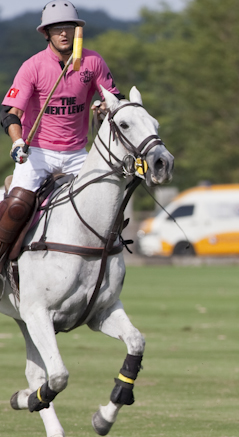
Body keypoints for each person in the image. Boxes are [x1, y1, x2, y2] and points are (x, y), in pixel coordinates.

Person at [0, 1, 122, 263]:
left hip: (77, 154)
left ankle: (107, 264)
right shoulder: (33, 66)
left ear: (78, 31)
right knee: (17, 205)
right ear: (46, 33)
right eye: (57, 29)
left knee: (106, 201)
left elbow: (116, 100)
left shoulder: (93, 62)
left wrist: (104, 106)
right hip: (38, 153)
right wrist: (17, 141)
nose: (64, 33)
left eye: (69, 27)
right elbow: (10, 112)